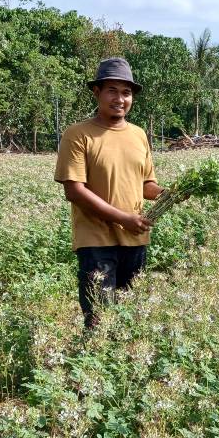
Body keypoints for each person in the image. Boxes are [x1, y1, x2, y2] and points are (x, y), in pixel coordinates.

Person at [54, 57, 164, 329]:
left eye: (126, 92)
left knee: (129, 317)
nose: (120, 98)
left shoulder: (138, 135)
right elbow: (74, 191)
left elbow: (145, 185)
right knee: (100, 318)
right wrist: (122, 218)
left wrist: (171, 193)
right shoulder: (78, 135)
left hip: (135, 239)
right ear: (97, 92)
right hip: (96, 242)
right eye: (112, 90)